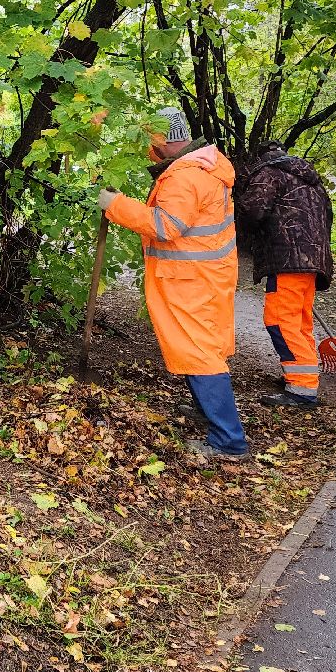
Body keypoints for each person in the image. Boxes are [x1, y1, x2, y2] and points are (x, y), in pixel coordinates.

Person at [99, 108, 248, 460]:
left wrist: (116, 205)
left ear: (163, 139)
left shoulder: (185, 177)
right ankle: (206, 412)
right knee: (198, 349)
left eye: (150, 140)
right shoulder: (202, 167)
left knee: (200, 354)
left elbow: (167, 226)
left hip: (191, 282)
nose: (147, 148)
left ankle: (229, 442)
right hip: (202, 278)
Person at [236, 140, 334, 410]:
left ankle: (302, 388)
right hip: (313, 260)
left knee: (280, 321)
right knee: (300, 322)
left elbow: (253, 211)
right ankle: (305, 376)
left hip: (287, 259)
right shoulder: (311, 180)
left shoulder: (268, 174)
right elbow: (328, 215)